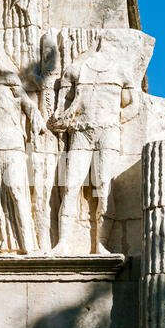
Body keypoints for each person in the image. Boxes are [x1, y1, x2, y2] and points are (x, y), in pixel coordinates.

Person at [49, 35, 139, 255]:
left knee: (104, 187)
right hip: (81, 131)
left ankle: (101, 243)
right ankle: (63, 243)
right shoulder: (75, 70)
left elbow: (132, 105)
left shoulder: (120, 71)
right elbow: (62, 107)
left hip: (108, 131)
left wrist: (115, 119)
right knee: (70, 186)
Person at [0, 45, 46, 254]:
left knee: (15, 189)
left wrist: (37, 121)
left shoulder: (11, 80)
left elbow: (29, 105)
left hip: (11, 141)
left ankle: (28, 244)